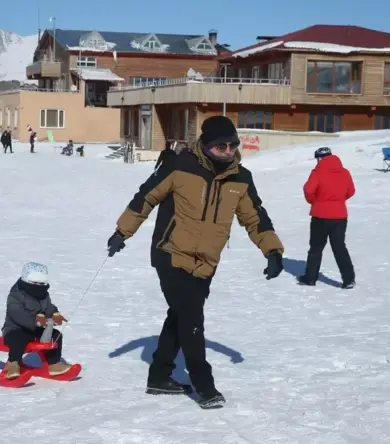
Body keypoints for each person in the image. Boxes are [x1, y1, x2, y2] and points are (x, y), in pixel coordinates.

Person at [105, 115, 285, 409]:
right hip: (170, 253)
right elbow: (145, 198)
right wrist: (122, 232)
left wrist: (272, 251)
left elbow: (255, 218)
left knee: (181, 317)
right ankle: (205, 386)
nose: (228, 152)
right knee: (191, 320)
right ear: (206, 145)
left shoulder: (240, 179)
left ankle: (159, 376)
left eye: (232, 145)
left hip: (206, 263)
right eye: (221, 146)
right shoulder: (180, 166)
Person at [1, 262, 73, 379]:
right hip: (14, 330)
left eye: (41, 283)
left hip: (35, 330)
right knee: (19, 337)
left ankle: (54, 363)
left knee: (56, 335)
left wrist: (54, 313)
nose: (37, 286)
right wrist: (36, 321)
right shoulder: (16, 295)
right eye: (34, 283)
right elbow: (16, 313)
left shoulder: (43, 294)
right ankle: (12, 363)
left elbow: (48, 307)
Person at [298, 147, 356, 289]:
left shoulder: (317, 172)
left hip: (320, 215)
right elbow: (351, 191)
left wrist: (315, 201)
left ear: (319, 158)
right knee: (339, 247)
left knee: (316, 248)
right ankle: (349, 280)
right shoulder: (344, 172)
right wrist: (338, 201)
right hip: (340, 216)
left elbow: (308, 190)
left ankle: (310, 278)